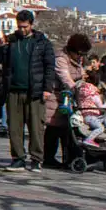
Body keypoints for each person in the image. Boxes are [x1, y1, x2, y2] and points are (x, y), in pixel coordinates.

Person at [0, 10, 56, 173]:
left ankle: (36, 159)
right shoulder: (10, 42)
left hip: (34, 90)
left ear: (31, 25)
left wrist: (47, 88)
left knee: (36, 127)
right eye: (19, 26)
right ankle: (18, 158)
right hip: (13, 90)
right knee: (14, 127)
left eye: (25, 27)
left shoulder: (42, 43)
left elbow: (49, 67)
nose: (22, 30)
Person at [43, 33, 90, 167]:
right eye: (80, 54)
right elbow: (66, 79)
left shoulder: (77, 61)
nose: (81, 57)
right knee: (54, 128)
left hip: (69, 98)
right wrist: (79, 87)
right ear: (72, 51)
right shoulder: (61, 59)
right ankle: (49, 158)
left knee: (68, 130)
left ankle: (69, 158)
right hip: (57, 98)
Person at [77, 70, 106, 147]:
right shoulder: (93, 92)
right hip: (91, 116)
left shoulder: (81, 89)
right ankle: (89, 140)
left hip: (85, 115)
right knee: (101, 128)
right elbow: (101, 107)